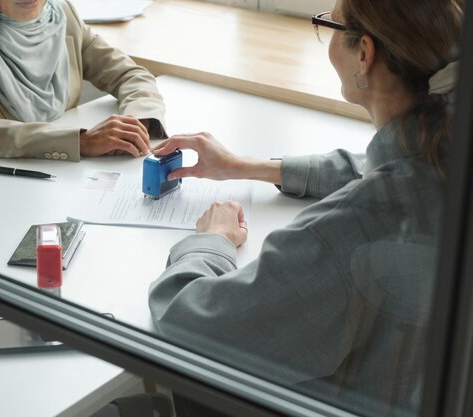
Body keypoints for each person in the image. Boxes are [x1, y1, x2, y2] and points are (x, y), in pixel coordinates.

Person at [148, 0, 462, 416]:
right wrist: (251, 167)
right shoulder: (448, 142)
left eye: (327, 25)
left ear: (364, 54)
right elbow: (377, 167)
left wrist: (210, 242)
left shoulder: (346, 233)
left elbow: (188, 326)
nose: (326, 37)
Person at [0, 0, 167, 162]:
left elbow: (131, 75)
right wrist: (79, 141)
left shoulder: (61, 14)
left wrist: (135, 124)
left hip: (54, 179)